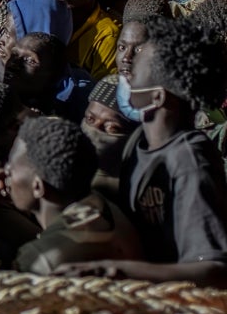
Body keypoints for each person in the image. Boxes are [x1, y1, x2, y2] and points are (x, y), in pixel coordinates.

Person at [63, 18, 227, 285]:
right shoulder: (139, 142)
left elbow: (212, 269)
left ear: (157, 97)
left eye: (134, 75)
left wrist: (113, 271)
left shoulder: (188, 160)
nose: (125, 75)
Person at [0, 116, 142, 275]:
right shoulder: (104, 205)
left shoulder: (42, 258)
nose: (4, 173)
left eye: (11, 168)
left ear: (38, 187)